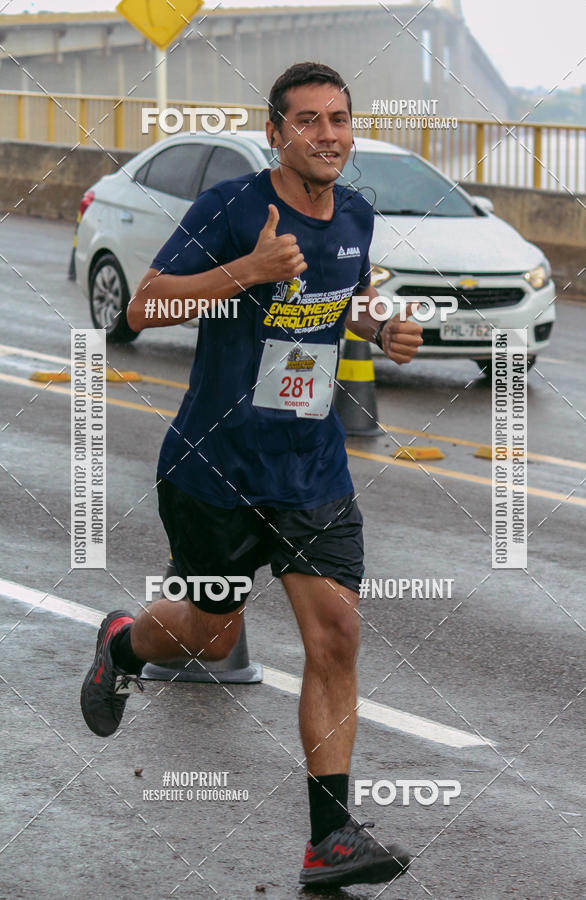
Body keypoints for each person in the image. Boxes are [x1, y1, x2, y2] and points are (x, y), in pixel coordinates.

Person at [80, 61, 423, 889]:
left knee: (336, 638)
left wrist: (377, 328)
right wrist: (249, 271)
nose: (328, 135)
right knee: (208, 634)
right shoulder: (231, 209)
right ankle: (123, 644)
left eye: (339, 120)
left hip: (310, 470)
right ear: (276, 133)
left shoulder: (357, 215)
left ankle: (329, 842)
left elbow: (340, 301)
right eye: (308, 121)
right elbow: (144, 305)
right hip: (215, 469)